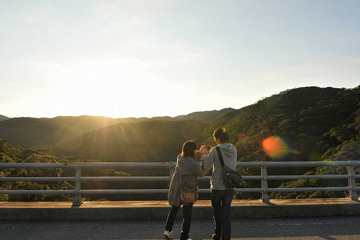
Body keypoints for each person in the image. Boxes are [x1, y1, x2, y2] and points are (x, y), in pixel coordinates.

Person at [164, 140, 206, 240]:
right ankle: (184, 236)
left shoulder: (180, 158)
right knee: (187, 213)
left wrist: (199, 152)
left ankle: (167, 230)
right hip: (187, 189)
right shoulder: (193, 164)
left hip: (177, 187)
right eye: (195, 150)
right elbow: (202, 173)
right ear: (192, 151)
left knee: (174, 209)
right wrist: (203, 158)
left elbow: (190, 158)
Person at [202, 128, 237, 240]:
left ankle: (217, 234)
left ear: (217, 138)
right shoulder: (234, 149)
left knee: (217, 211)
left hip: (217, 186)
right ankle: (226, 237)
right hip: (230, 185)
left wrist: (206, 154)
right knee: (226, 214)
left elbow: (206, 166)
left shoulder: (215, 150)